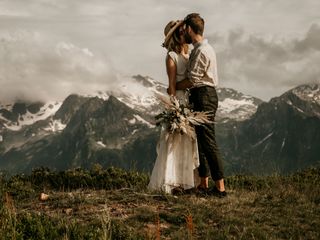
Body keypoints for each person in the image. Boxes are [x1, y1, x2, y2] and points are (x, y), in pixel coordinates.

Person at [176, 13, 226, 197]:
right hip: (203, 95)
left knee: (208, 141)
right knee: (201, 142)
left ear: (189, 29)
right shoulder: (200, 49)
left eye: (184, 30)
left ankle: (220, 188)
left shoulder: (202, 51)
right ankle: (204, 184)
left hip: (204, 95)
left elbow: (192, 80)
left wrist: (173, 86)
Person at [148, 20, 200, 194]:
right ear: (177, 35)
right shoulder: (171, 56)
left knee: (187, 141)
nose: (184, 32)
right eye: (181, 31)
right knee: (175, 141)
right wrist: (175, 109)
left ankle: (187, 181)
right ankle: (172, 181)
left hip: (189, 101)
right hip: (179, 101)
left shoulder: (189, 54)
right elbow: (171, 86)